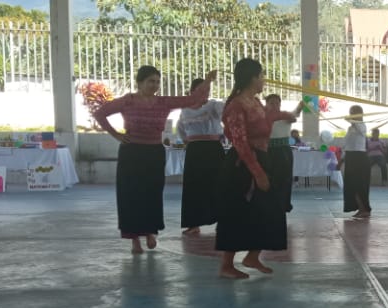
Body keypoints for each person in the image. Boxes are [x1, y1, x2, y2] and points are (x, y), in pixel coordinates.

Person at [94, 65, 217, 254]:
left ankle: (150, 231)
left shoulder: (164, 102)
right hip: (131, 153)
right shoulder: (128, 101)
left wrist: (208, 81)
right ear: (140, 82)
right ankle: (134, 239)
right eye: (151, 81)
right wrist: (116, 135)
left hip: (154, 153)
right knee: (130, 196)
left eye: (158, 81)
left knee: (152, 193)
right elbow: (100, 113)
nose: (155, 85)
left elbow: (194, 99)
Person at [215, 58, 296, 279]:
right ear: (252, 77)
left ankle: (252, 255)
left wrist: (286, 115)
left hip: (262, 157)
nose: (263, 80)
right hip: (243, 164)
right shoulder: (236, 105)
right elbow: (239, 141)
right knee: (238, 212)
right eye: (261, 76)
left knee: (271, 209)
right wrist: (257, 172)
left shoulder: (256, 103)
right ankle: (226, 265)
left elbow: (266, 123)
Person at [176, 78, 226, 236]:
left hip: (213, 149)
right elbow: (181, 129)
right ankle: (193, 224)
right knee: (193, 186)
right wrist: (189, 140)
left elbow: (227, 115)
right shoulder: (184, 109)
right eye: (201, 90)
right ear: (192, 92)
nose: (205, 93)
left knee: (218, 185)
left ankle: (223, 221)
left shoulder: (214, 105)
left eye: (207, 90)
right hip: (194, 150)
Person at [264, 94, 304, 212]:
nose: (274, 105)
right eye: (271, 103)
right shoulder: (261, 117)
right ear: (266, 104)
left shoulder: (286, 116)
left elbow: (296, 112)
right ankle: (268, 206)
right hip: (267, 151)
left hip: (283, 152)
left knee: (284, 179)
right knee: (268, 179)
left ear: (280, 104)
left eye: (277, 103)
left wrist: (301, 105)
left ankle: (283, 205)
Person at [342, 105, 371, 218]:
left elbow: (361, 130)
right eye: (350, 112)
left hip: (359, 158)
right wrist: (342, 160)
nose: (351, 114)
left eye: (353, 112)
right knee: (351, 186)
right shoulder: (350, 129)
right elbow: (347, 145)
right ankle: (360, 208)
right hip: (350, 157)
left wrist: (351, 120)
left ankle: (365, 208)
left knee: (360, 185)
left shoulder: (362, 126)